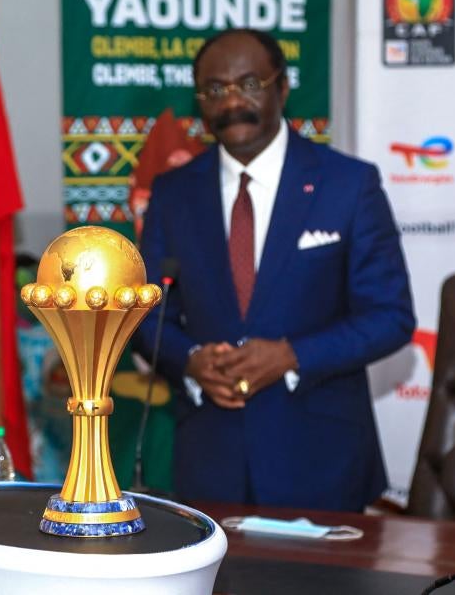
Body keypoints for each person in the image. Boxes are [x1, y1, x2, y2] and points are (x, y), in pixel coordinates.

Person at [134, 28, 415, 512]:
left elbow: (391, 317)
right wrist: (194, 359)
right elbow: (146, 315)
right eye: (215, 89)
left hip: (321, 461)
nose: (231, 101)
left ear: (282, 87)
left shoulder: (348, 185)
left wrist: (291, 356)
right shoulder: (173, 193)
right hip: (208, 465)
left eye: (249, 83)